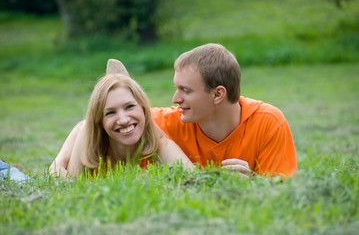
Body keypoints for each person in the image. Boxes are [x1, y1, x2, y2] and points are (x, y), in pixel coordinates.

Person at [52, 43, 297, 178]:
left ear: (218, 94)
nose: (175, 98)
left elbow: (281, 192)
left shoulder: (268, 122)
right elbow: (103, 118)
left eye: (185, 90)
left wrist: (251, 182)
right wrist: (61, 159)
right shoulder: (166, 122)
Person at [49, 72, 194, 177]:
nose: (123, 120)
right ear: (100, 121)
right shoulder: (88, 142)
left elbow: (194, 179)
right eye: (110, 113)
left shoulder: (159, 145)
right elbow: (70, 187)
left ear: (144, 109)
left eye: (129, 107)